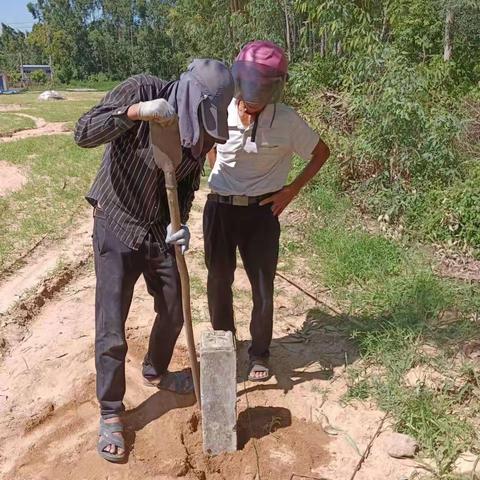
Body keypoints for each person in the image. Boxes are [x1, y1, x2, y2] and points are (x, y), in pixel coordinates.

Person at [74, 59, 234, 462]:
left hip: (158, 228)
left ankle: (155, 369)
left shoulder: (200, 138)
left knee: (174, 307)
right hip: (115, 221)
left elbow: (186, 185)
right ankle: (112, 412)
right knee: (112, 326)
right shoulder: (143, 90)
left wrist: (177, 225)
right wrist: (132, 114)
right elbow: (83, 132)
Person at [204, 41, 330, 382]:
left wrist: (291, 190)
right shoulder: (219, 110)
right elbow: (207, 146)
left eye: (262, 86)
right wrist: (218, 173)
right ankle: (225, 344)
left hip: (262, 214)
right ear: (237, 79)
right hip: (220, 209)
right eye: (248, 83)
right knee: (218, 281)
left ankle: (259, 352)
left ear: (275, 86)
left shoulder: (288, 121)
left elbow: (321, 153)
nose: (253, 93)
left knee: (262, 287)